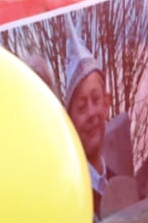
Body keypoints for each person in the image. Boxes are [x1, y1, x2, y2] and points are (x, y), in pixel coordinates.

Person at [63, 41, 109, 221]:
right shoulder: (69, 195)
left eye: (96, 100)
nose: (91, 113)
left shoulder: (124, 184)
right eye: (81, 108)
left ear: (106, 105)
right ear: (70, 122)